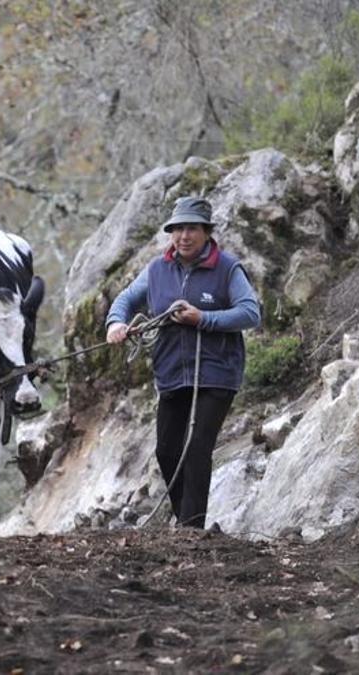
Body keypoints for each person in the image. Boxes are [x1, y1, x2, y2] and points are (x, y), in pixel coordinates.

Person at [105, 196, 261, 528]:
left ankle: (191, 530)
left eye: (191, 229)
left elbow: (250, 313)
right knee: (166, 450)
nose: (183, 237)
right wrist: (116, 323)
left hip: (217, 372)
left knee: (198, 447)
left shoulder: (227, 268)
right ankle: (186, 521)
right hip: (172, 370)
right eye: (177, 230)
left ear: (206, 232)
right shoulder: (157, 270)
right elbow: (126, 299)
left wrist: (202, 318)